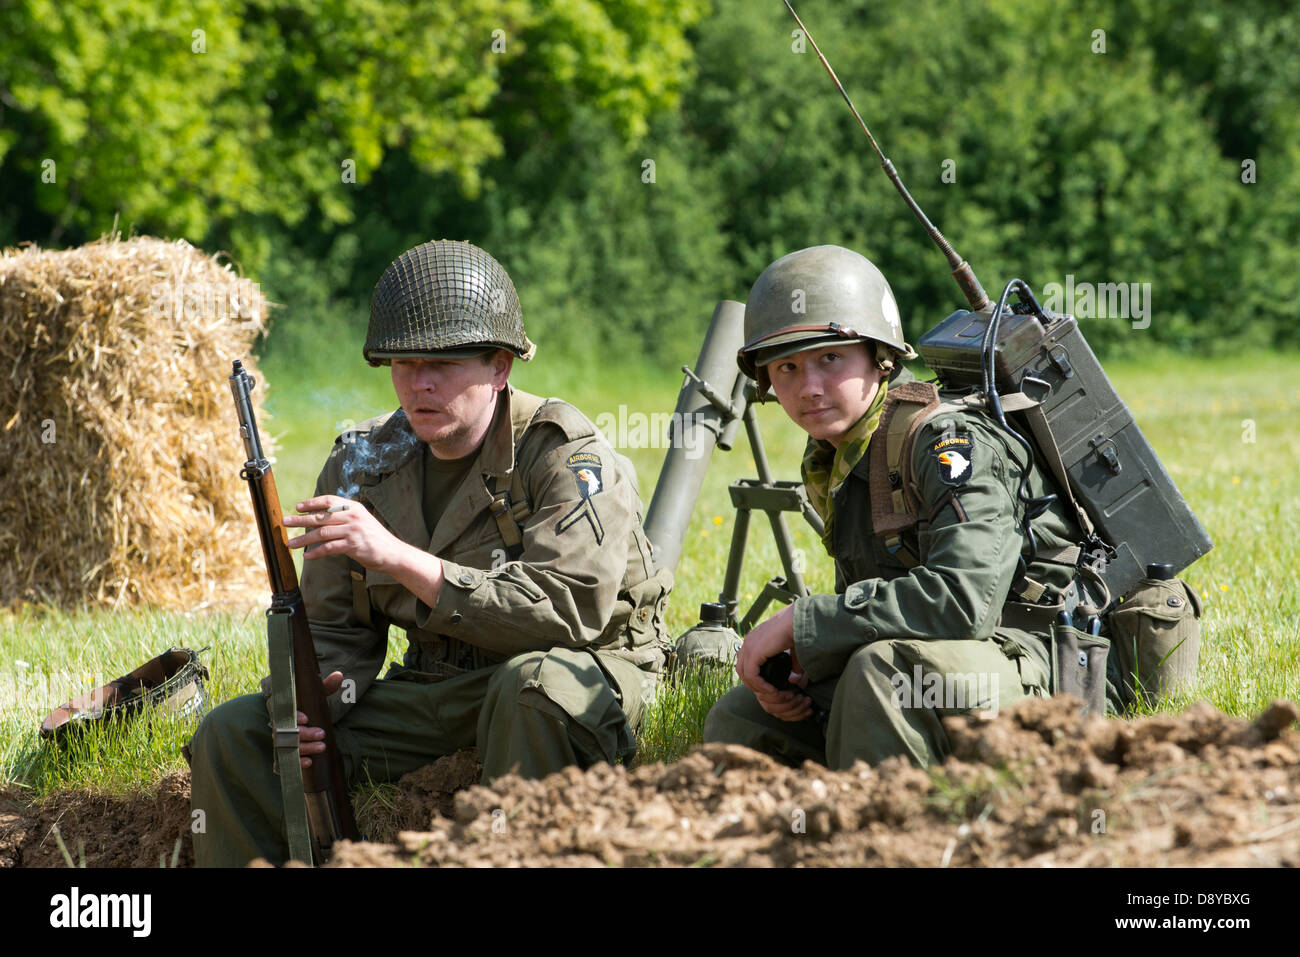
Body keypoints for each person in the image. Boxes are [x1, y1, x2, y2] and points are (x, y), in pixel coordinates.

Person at [189, 240, 671, 866]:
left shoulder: (564, 456)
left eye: (443, 363)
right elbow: (334, 628)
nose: (420, 383)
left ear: (500, 366)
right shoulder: (364, 463)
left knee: (532, 690)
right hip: (440, 689)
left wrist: (397, 557)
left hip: (575, 674)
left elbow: (566, 611)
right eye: (403, 362)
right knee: (236, 735)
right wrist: (324, 698)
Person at [704, 244, 1087, 770]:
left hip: (1041, 660)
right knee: (745, 717)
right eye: (787, 368)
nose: (809, 388)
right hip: (945, 657)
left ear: (880, 358)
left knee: (882, 673)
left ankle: (889, 833)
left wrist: (807, 622)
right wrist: (814, 650)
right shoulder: (839, 455)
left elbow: (964, 600)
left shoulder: (946, 444)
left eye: (830, 359)